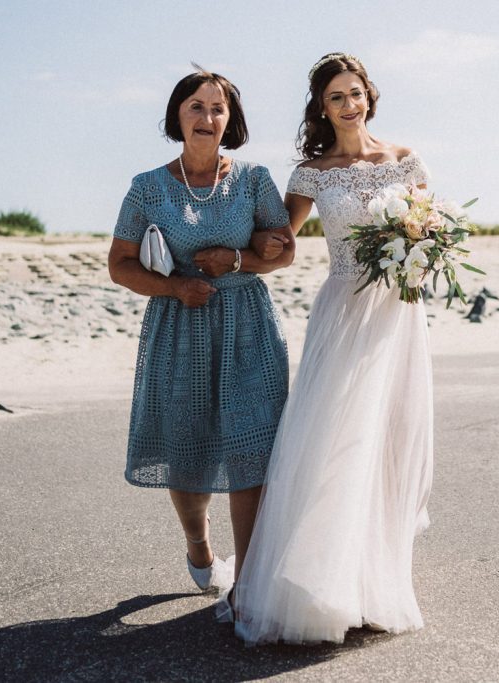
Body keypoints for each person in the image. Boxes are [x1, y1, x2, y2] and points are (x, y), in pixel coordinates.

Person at [222, 53, 434, 644]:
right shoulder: (312, 175)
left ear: (370, 94)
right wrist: (234, 253)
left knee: (387, 437)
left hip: (398, 314)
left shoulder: (405, 160)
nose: (348, 104)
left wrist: (423, 255)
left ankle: (371, 581)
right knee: (333, 435)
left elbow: (430, 229)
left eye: (355, 92)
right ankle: (317, 583)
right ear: (322, 106)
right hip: (343, 311)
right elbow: (278, 243)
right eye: (336, 96)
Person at [107, 68, 295, 593]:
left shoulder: (254, 180)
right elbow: (120, 264)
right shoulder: (147, 188)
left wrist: (237, 259)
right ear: (178, 116)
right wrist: (176, 290)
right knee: (187, 445)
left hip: (248, 326)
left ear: (230, 120)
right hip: (179, 326)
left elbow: (284, 251)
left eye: (218, 108)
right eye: (196, 106)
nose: (207, 117)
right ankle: (199, 545)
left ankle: (251, 579)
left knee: (251, 441)